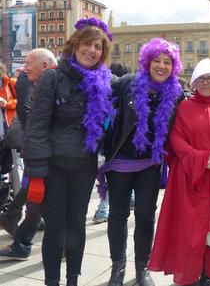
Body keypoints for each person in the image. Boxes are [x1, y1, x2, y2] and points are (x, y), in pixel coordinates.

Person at [20, 18, 115, 286]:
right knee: (55, 229)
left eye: (97, 46)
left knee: (77, 227)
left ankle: (72, 280)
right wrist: (37, 171)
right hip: (54, 166)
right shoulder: (52, 76)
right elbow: (36, 126)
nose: (92, 50)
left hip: (84, 166)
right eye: (87, 44)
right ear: (74, 45)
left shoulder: (104, 81)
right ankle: (52, 282)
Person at [149, 58, 210, 286]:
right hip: (191, 179)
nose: (206, 82)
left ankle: (208, 274)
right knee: (191, 231)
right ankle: (192, 273)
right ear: (194, 82)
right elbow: (176, 138)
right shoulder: (184, 107)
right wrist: (200, 159)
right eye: (201, 78)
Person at [99, 38, 183, 286]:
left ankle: (142, 268)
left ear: (173, 66)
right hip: (120, 163)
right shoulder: (127, 84)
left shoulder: (176, 93)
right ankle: (118, 268)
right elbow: (99, 104)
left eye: (167, 62)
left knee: (146, 217)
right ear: (147, 62)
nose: (161, 66)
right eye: (156, 60)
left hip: (150, 164)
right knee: (117, 215)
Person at [0, 48, 57, 261]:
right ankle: (20, 234)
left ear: (44, 65)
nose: (24, 67)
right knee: (36, 192)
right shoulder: (27, 81)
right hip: (37, 149)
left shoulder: (53, 80)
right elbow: (28, 115)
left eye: (29, 62)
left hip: (46, 151)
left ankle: (15, 222)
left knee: (38, 193)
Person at [92, 61, 132, 225]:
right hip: (116, 151)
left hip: (107, 150)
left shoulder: (109, 96)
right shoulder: (124, 96)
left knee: (106, 180)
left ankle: (103, 208)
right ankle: (104, 208)